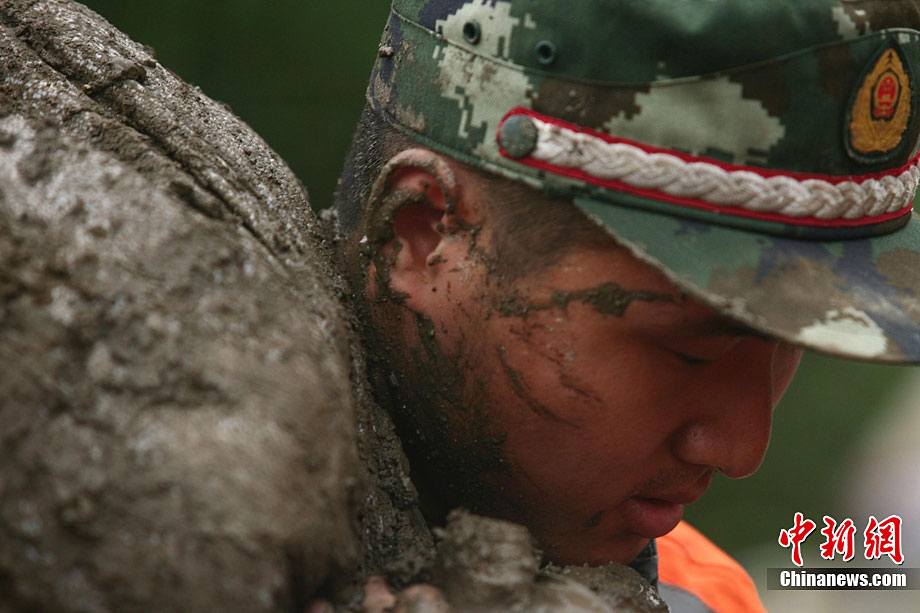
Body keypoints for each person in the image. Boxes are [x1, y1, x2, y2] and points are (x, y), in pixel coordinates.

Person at [332, 0, 920, 610]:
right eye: (689, 353)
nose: (742, 449)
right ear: (423, 234)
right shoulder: (258, 551)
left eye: (796, 344)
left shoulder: (709, 597)